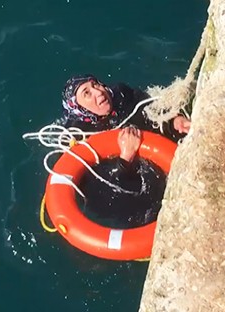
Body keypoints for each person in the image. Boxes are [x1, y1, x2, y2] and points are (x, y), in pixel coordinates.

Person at [57, 74, 191, 227]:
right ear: (78, 108)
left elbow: (151, 113)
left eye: (95, 84)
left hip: (159, 167)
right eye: (86, 93)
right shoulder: (78, 138)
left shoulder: (122, 95)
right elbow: (101, 197)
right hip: (129, 199)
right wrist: (125, 160)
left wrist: (173, 122)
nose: (98, 92)